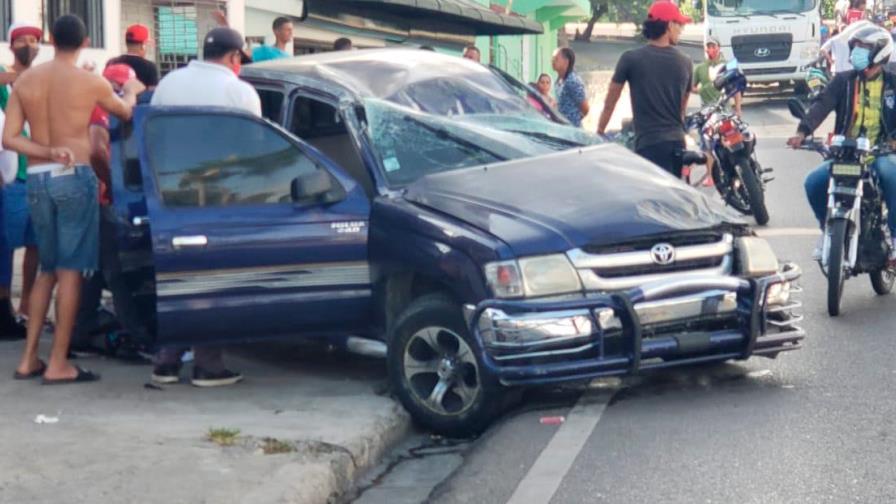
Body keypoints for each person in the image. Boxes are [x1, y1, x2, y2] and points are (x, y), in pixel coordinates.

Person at [2, 14, 143, 383]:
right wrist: (131, 90)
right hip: (74, 176)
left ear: (50, 39)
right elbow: (125, 112)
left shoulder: (25, 81)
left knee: (47, 269)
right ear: (84, 43)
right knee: (71, 271)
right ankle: (58, 363)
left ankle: (28, 359)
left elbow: (9, 139)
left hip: (37, 178)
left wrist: (47, 151)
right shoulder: (90, 81)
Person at [149, 27, 260, 387]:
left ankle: (166, 361)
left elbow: (153, 136)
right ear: (234, 57)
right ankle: (208, 365)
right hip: (219, 198)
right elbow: (254, 150)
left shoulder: (169, 83)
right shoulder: (238, 91)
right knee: (213, 279)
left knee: (177, 275)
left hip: (170, 193)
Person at [787, 24, 896, 261]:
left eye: (864, 47)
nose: (857, 52)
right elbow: (821, 105)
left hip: (880, 152)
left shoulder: (892, 83)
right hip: (846, 154)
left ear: (880, 52)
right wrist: (802, 131)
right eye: (856, 47)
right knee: (814, 182)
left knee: (892, 175)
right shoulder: (843, 81)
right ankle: (827, 230)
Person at [597, 1, 694, 177]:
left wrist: (599, 133)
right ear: (669, 25)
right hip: (677, 143)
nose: (681, 29)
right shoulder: (686, 62)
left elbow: (610, 103)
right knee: (673, 191)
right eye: (679, 24)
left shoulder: (630, 59)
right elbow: (682, 108)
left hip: (648, 145)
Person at [0, 22, 42, 339]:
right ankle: (5, 307)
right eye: (23, 40)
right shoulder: (4, 78)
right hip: (11, 176)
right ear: (11, 45)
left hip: (38, 173)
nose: (29, 45)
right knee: (4, 243)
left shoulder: (42, 79)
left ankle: (26, 305)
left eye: (34, 40)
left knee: (35, 244)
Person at [692, 37, 742, 115]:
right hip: (706, 111)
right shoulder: (700, 68)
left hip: (725, 111)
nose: (711, 49)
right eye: (709, 47)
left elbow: (736, 90)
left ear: (719, 48)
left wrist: (738, 110)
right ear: (706, 50)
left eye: (713, 46)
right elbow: (691, 87)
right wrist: (702, 91)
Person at [106, 24, 160, 89]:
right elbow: (152, 92)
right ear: (143, 45)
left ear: (126, 43)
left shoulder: (111, 62)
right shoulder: (150, 67)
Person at [551, 47, 589, 127]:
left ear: (566, 62)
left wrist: (573, 120)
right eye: (552, 58)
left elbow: (585, 109)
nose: (553, 61)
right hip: (561, 127)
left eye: (556, 59)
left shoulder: (572, 81)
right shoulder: (559, 80)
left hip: (571, 129)